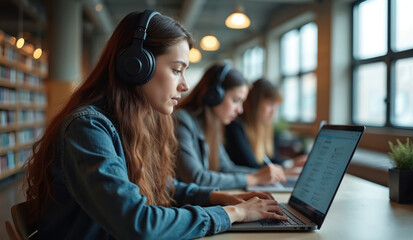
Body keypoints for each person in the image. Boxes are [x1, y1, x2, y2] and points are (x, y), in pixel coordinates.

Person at [24, 10, 287, 239]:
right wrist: (233, 213)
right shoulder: (88, 128)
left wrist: (217, 197)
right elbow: (137, 223)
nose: (184, 85)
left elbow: (162, 185)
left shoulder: (138, 122)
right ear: (136, 66)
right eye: (176, 69)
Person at [174, 63, 288, 191]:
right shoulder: (182, 120)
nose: (239, 110)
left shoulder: (212, 126)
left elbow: (226, 168)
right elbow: (196, 177)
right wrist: (254, 178)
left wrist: (263, 174)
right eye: (235, 100)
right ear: (215, 95)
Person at [225, 78, 307, 170]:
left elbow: (271, 160)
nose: (274, 112)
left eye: (276, 106)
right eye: (271, 104)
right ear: (256, 104)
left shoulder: (267, 129)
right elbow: (252, 167)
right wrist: (286, 168)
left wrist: (292, 162)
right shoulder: (235, 127)